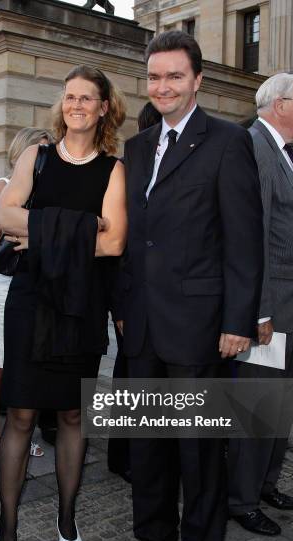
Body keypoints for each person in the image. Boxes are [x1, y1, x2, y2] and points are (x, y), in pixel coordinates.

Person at [105, 31, 263, 541]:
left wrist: (239, 320)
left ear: (198, 80)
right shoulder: (139, 146)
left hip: (200, 327)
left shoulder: (226, 142)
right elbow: (131, 240)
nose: (163, 86)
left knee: (198, 451)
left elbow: (245, 242)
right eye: (154, 77)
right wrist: (122, 309)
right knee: (146, 445)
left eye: (174, 76)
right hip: (141, 325)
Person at [0, 65, 127, 541]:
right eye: (69, 97)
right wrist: (79, 229)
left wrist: (43, 235)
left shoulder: (114, 169)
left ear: (104, 107)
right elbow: (5, 217)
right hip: (31, 301)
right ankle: (7, 523)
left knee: (73, 415)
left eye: (87, 98)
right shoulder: (37, 156)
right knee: (21, 415)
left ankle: (67, 517)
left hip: (81, 306)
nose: (76, 105)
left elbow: (113, 241)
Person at [228, 74, 293, 537]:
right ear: (281, 105)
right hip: (270, 312)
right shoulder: (255, 147)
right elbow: (253, 236)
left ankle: (264, 483)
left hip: (292, 308)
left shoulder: (281, 151)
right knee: (258, 407)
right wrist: (260, 311)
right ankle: (241, 499)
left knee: (280, 407)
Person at [0, 128, 48, 463]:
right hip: (5, 281)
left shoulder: (46, 192)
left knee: (29, 363)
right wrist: (33, 233)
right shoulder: (4, 186)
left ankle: (20, 434)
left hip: (37, 282)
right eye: (39, 150)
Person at [107, 100, 161, 483]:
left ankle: (130, 452)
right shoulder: (129, 166)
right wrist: (120, 306)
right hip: (131, 293)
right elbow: (120, 244)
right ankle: (122, 453)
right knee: (130, 375)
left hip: (152, 297)